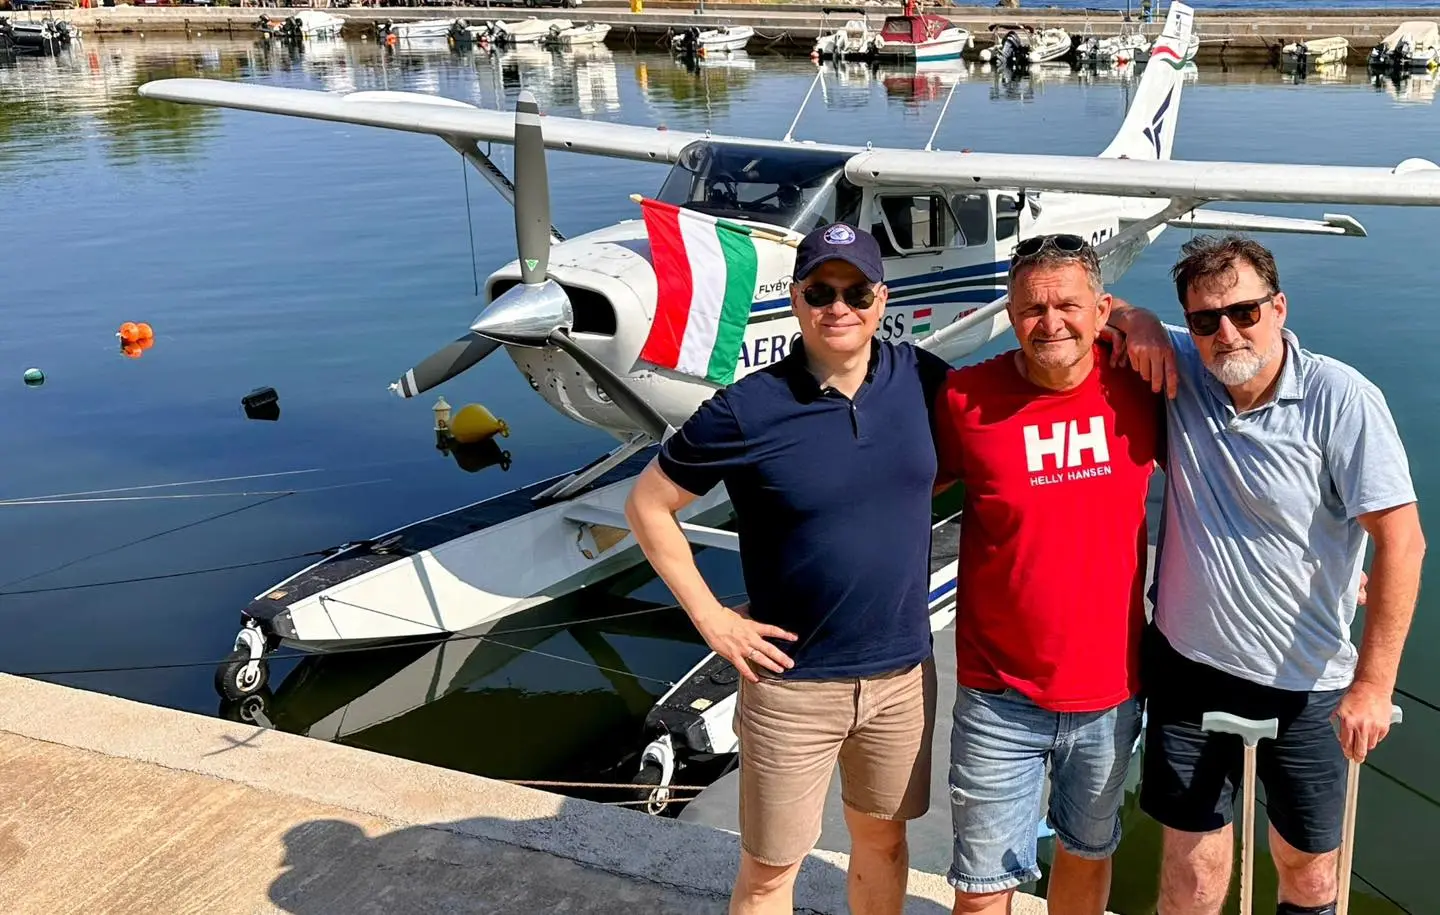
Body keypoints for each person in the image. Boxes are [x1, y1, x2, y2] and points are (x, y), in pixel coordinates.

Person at [623, 223, 950, 915]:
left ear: (882, 298)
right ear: (796, 300)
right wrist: (712, 619)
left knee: (884, 841)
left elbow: (1023, 390)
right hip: (791, 686)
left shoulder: (921, 379)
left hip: (901, 676)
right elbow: (649, 505)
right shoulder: (746, 409)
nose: (839, 307)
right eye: (820, 292)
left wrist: (1125, 325)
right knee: (771, 870)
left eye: (856, 291)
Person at [1108, 234, 1426, 915]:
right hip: (1187, 669)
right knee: (1190, 874)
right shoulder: (1183, 366)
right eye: (1204, 319)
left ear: (1279, 307)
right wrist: (1135, 320)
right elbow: (1089, 305)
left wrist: (1374, 686)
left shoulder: (1342, 399)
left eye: (1244, 312)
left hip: (1308, 683)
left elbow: (1402, 542)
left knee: (1308, 873)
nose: (1225, 333)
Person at [931, 233, 1165, 915]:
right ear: (1010, 314)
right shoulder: (964, 399)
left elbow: (1237, 453)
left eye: (1068, 305)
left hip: (1110, 691)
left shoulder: (1145, 382)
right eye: (1033, 308)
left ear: (1101, 311)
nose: (1051, 322)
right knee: (981, 890)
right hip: (997, 695)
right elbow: (896, 494)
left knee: (1087, 858)